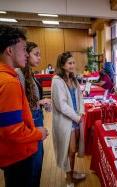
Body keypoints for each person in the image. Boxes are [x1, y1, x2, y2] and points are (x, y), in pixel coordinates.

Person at [0, 25, 48, 187]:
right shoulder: (9, 82)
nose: (26, 54)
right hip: (19, 155)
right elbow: (13, 131)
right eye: (23, 49)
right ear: (10, 51)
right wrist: (38, 133)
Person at [16, 41, 51, 187]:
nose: (39, 58)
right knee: (33, 167)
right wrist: (39, 103)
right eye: (36, 54)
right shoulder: (20, 74)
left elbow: (31, 100)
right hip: (31, 122)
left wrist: (42, 103)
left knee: (37, 165)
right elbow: (21, 105)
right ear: (26, 54)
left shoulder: (31, 74)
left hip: (37, 118)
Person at [51, 52, 85, 187]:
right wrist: (77, 118)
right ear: (62, 65)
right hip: (67, 121)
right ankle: (68, 177)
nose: (72, 65)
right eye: (69, 63)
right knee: (69, 150)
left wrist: (81, 112)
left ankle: (72, 172)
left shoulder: (73, 79)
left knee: (74, 150)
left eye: (73, 63)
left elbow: (80, 97)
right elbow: (61, 105)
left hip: (76, 119)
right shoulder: (57, 81)